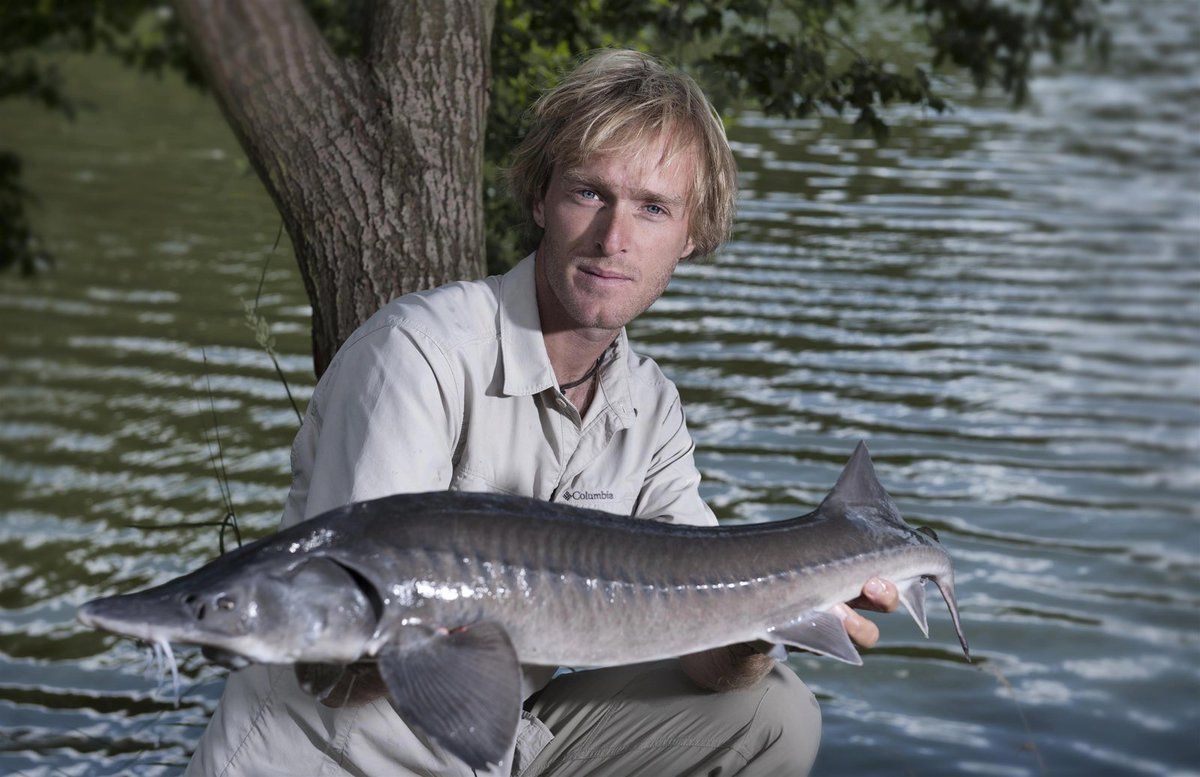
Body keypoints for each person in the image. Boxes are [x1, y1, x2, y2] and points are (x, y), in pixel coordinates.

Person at [186, 49, 898, 777]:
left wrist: (769, 615)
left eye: (653, 208)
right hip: (336, 755)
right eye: (590, 194)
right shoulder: (416, 353)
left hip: (497, 745)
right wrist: (511, 579)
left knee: (771, 710)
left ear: (690, 239)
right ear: (540, 200)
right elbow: (339, 663)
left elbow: (710, 663)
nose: (613, 238)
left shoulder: (650, 408)